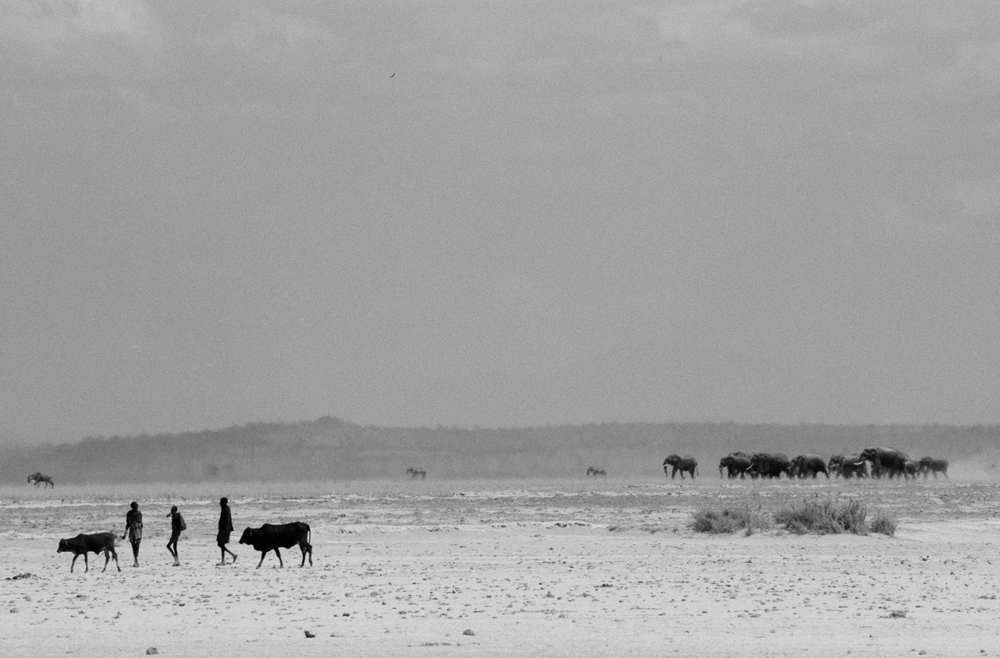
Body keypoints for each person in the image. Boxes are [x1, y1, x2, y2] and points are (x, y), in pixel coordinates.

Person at [217, 497, 237, 566]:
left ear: (223, 502)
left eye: (220, 502)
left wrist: (223, 531)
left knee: (221, 544)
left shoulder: (225, 509)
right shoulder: (226, 508)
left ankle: (225, 559)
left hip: (224, 530)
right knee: (221, 544)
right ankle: (228, 557)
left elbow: (225, 521)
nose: (219, 503)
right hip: (225, 530)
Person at [122, 501, 143, 567]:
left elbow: (141, 523)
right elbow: (127, 524)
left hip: (138, 531)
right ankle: (135, 559)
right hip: (132, 531)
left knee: (137, 546)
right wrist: (125, 534)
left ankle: (136, 560)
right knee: (133, 547)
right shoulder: (129, 514)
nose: (137, 507)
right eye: (135, 506)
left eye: (137, 505)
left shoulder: (139, 513)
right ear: (132, 507)